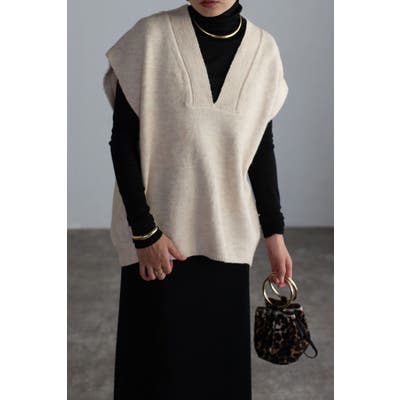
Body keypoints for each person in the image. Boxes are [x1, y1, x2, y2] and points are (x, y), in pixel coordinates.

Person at [103, 1, 293, 399]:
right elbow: (123, 143)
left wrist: (274, 233)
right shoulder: (150, 38)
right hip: (159, 249)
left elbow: (261, 149)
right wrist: (145, 233)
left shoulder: (264, 51)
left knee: (217, 380)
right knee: (153, 380)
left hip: (226, 243)